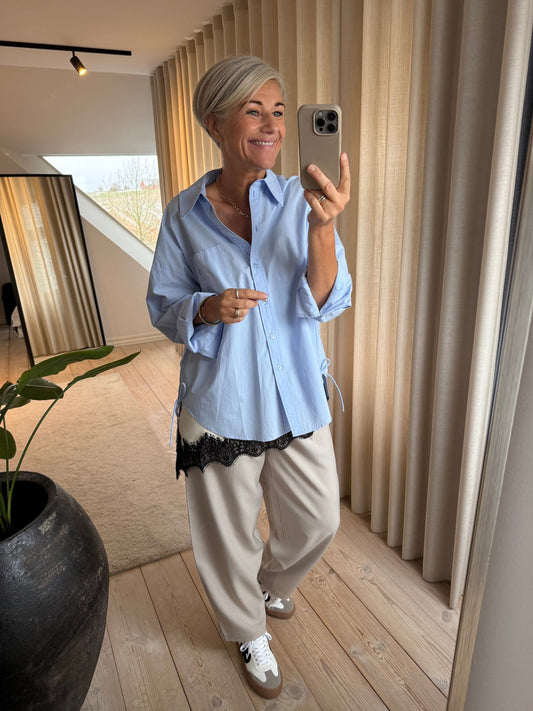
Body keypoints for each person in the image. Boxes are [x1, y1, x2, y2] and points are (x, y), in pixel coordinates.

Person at [147, 55, 352, 700]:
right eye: (253, 111)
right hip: (221, 399)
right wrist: (208, 306)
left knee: (318, 520)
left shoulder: (301, 199)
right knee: (225, 534)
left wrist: (324, 228)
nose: (271, 127)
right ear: (215, 123)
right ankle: (246, 630)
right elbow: (163, 305)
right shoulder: (183, 214)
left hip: (295, 393)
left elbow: (328, 299)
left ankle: (270, 585)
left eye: (278, 112)